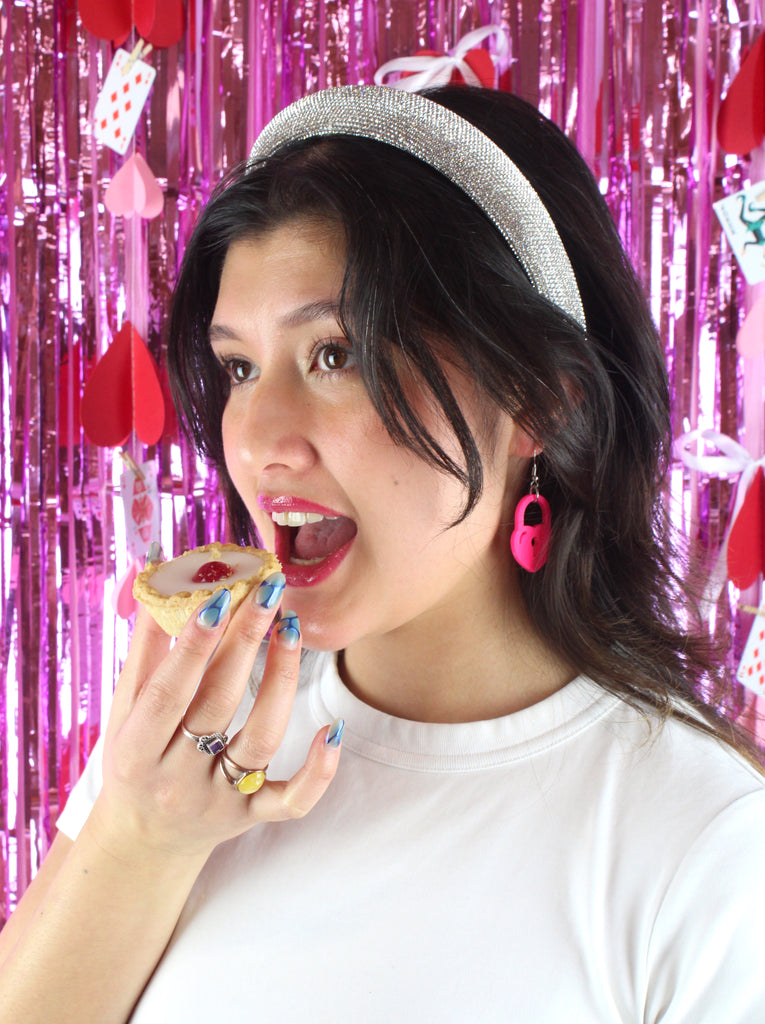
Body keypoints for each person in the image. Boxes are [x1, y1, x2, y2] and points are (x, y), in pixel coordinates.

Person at [1, 84, 764, 1023]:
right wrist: (141, 837)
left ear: (542, 402)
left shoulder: (706, 843)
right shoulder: (193, 742)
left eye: (337, 353)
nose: (260, 438)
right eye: (240, 367)